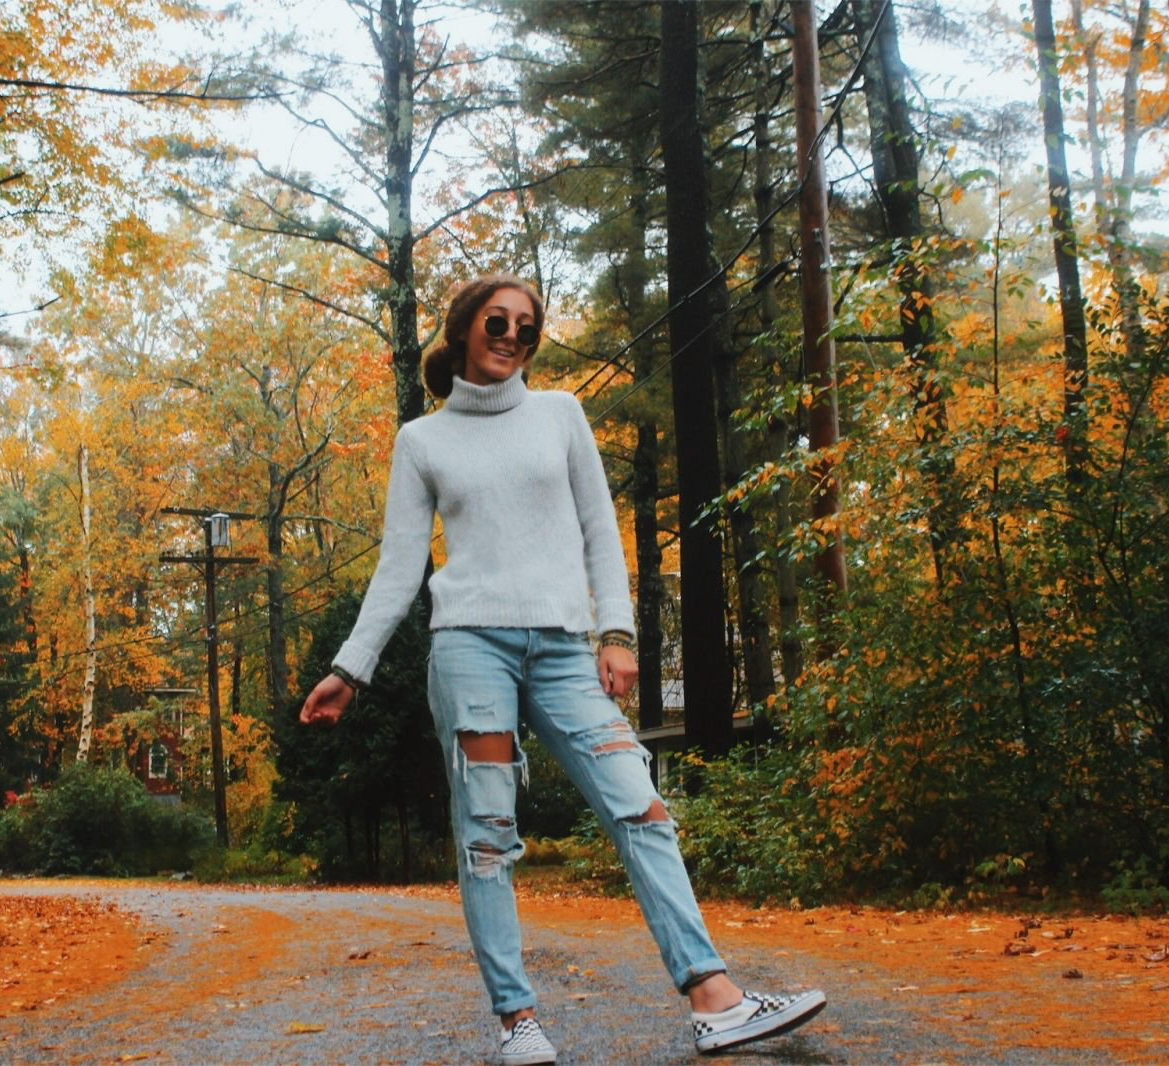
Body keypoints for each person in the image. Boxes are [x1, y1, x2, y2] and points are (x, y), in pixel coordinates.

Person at [300, 274, 825, 1064]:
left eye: (527, 325)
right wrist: (352, 668)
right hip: (471, 646)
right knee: (487, 835)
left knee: (640, 804)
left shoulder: (561, 415)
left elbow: (598, 532)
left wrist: (616, 632)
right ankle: (518, 1023)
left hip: (562, 651)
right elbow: (399, 570)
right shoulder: (423, 441)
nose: (513, 334)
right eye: (497, 321)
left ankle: (715, 1000)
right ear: (463, 332)